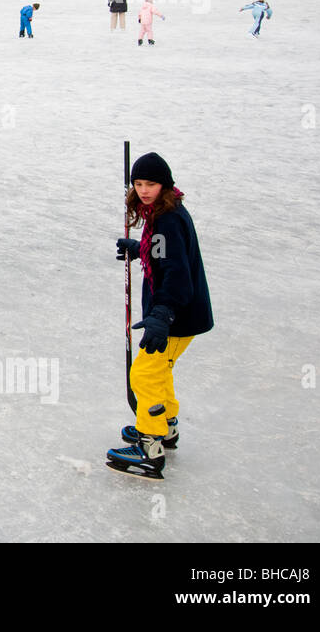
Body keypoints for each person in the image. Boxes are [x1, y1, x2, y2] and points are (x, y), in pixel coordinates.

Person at [108, 152, 213, 480]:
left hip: (174, 317)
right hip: (183, 316)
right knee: (160, 369)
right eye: (138, 184)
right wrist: (140, 248)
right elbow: (164, 252)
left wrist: (161, 314)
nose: (143, 190)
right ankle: (166, 426)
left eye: (150, 183)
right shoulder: (166, 213)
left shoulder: (166, 220)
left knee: (143, 374)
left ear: (164, 184)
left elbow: (178, 275)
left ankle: (150, 445)